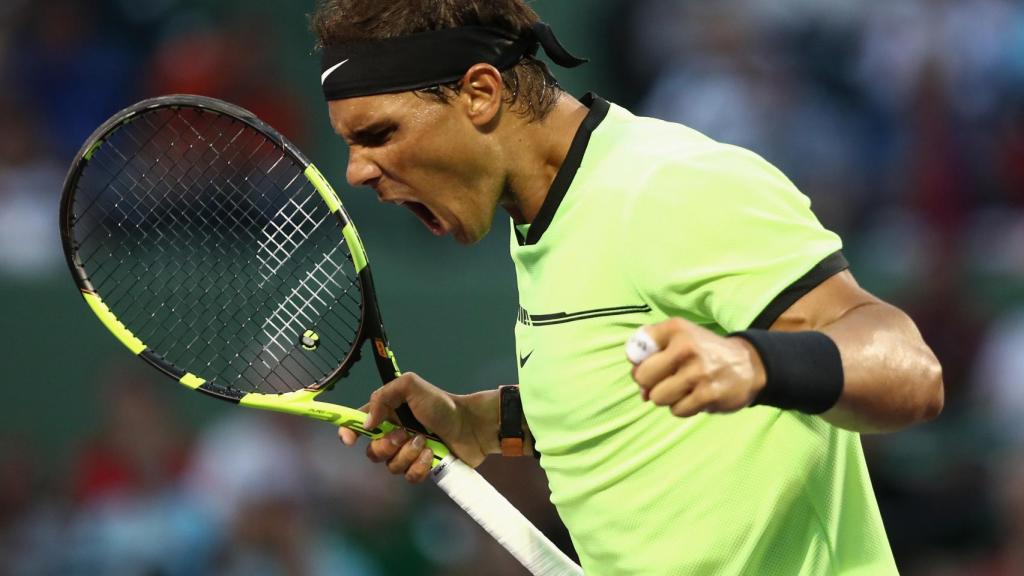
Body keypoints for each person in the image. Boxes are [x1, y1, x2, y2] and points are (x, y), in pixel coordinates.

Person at [311, 1, 945, 574]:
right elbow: (627, 384)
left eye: (379, 133)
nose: (356, 171)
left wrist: (752, 362)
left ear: (480, 93)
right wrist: (484, 421)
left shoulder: (669, 187)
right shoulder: (541, 212)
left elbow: (910, 371)